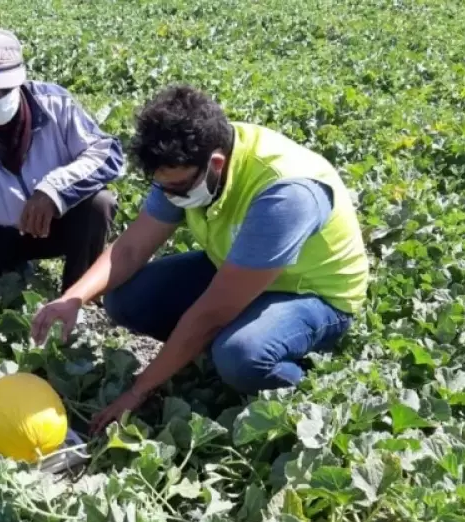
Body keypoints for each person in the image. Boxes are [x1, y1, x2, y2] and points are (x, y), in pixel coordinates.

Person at [31, 85, 370, 433]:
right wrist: (74, 298)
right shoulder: (184, 164)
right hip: (234, 267)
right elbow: (131, 248)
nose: (169, 196)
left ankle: (303, 382)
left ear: (216, 164)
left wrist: (138, 391)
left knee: (240, 357)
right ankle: (201, 349)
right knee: (125, 299)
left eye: (177, 188)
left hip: (310, 293)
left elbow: (212, 313)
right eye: (161, 187)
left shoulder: (285, 193)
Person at [0, 28, 125, 308]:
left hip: (55, 224)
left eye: (5, 88)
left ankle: (78, 294)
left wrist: (53, 191)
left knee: (99, 204)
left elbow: (107, 153)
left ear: (21, 77)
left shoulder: (56, 104)